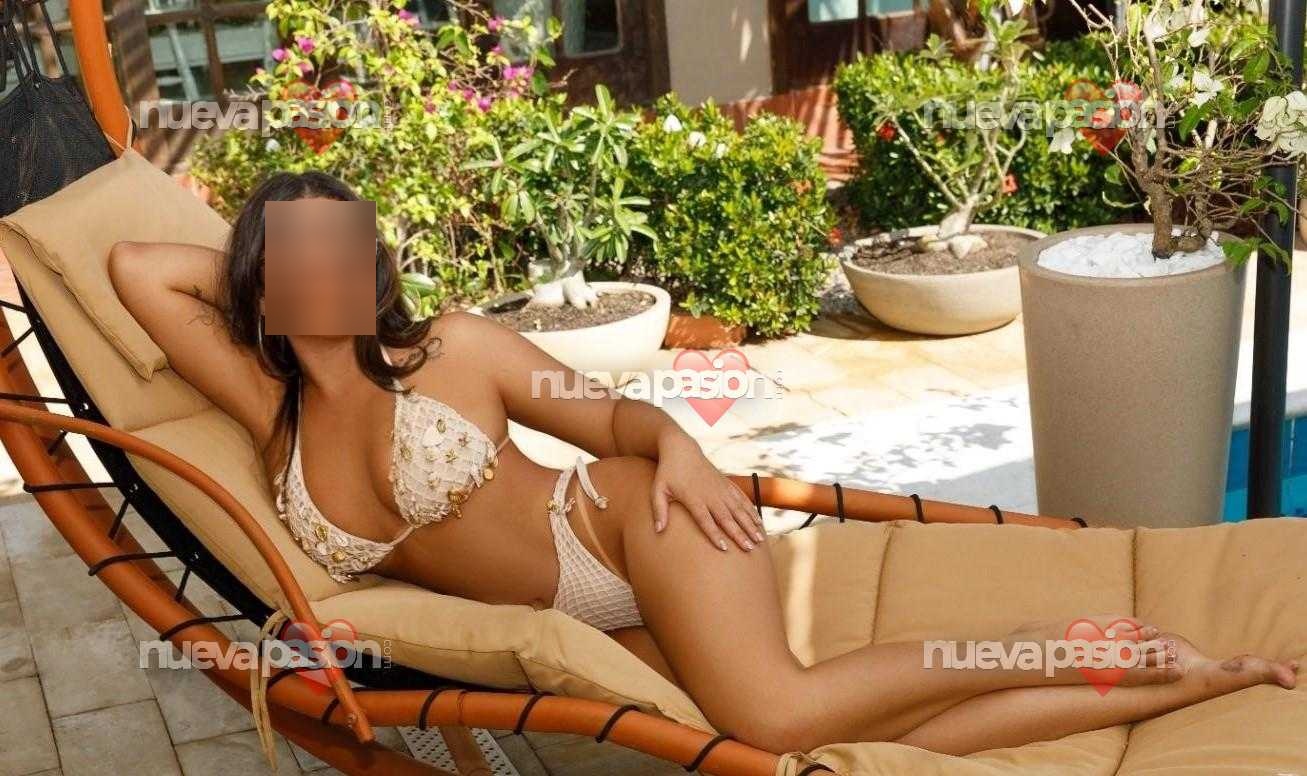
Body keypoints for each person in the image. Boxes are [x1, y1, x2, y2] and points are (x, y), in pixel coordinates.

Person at [107, 170, 1298, 757]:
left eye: (342, 249)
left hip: (632, 527)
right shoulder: (268, 410)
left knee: (776, 709)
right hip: (588, 614)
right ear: (259, 277)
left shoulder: (456, 351)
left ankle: (1051, 641)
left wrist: (677, 443)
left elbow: (619, 424)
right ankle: (1165, 678)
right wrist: (256, 266)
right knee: (791, 750)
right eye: (294, 255)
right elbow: (136, 273)